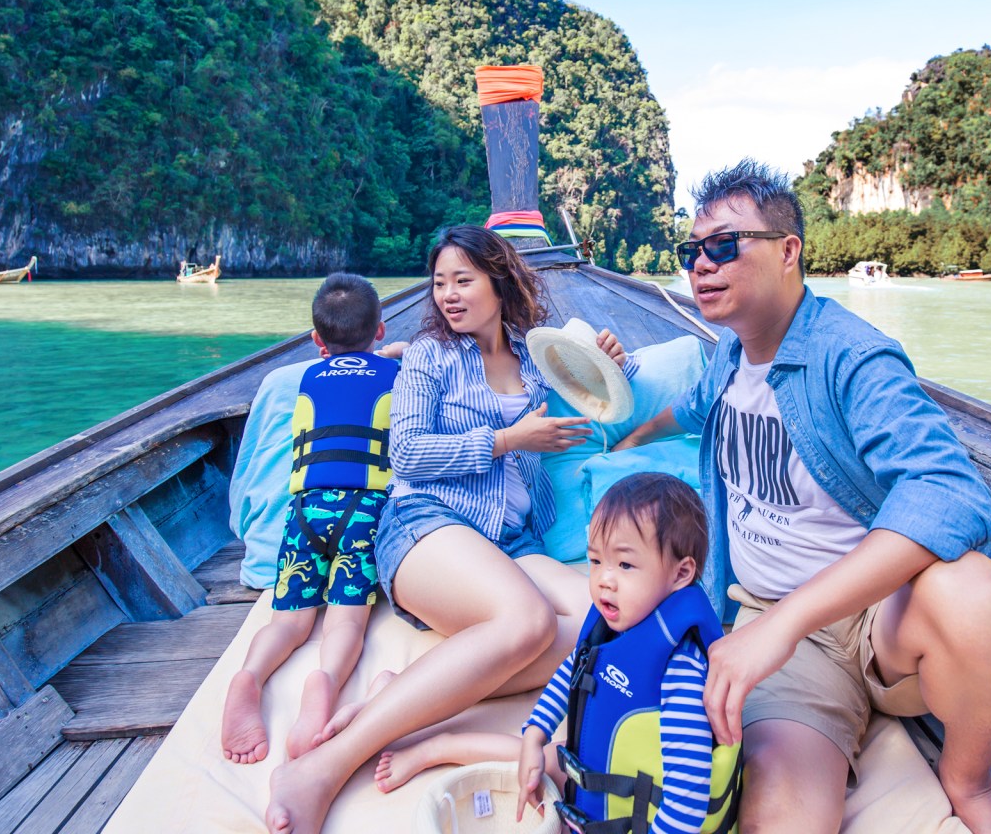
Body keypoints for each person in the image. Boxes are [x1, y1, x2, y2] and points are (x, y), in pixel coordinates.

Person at [614, 161, 991, 834]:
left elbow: (951, 492)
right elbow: (689, 410)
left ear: (789, 252)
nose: (701, 264)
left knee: (981, 599)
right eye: (691, 251)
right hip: (788, 644)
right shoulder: (729, 357)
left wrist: (782, 626)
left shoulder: (851, 356)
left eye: (724, 246)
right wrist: (627, 439)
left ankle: (969, 781)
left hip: (883, 627)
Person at [264, 224, 635, 833]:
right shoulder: (430, 356)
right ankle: (323, 767)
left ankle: (401, 701)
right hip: (426, 526)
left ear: (499, 280)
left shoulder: (536, 359)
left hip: (514, 544)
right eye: (440, 283)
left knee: (608, 631)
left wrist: (610, 360)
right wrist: (507, 440)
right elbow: (406, 453)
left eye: (464, 280)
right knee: (530, 622)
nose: (449, 295)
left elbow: (606, 393)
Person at [361, 473, 740, 834]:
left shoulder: (680, 669)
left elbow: (687, 799)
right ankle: (435, 747)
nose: (604, 579)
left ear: (680, 573)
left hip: (639, 807)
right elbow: (569, 675)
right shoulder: (614, 624)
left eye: (625, 564)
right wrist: (534, 736)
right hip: (597, 775)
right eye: (595, 562)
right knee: (529, 757)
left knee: (550, 763)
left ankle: (436, 744)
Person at [220, 273, 404, 764]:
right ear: (381, 331)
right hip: (363, 510)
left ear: (316, 341)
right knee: (345, 622)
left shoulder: (301, 378)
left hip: (305, 509)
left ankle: (250, 677)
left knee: (289, 620)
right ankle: (322, 685)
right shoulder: (396, 375)